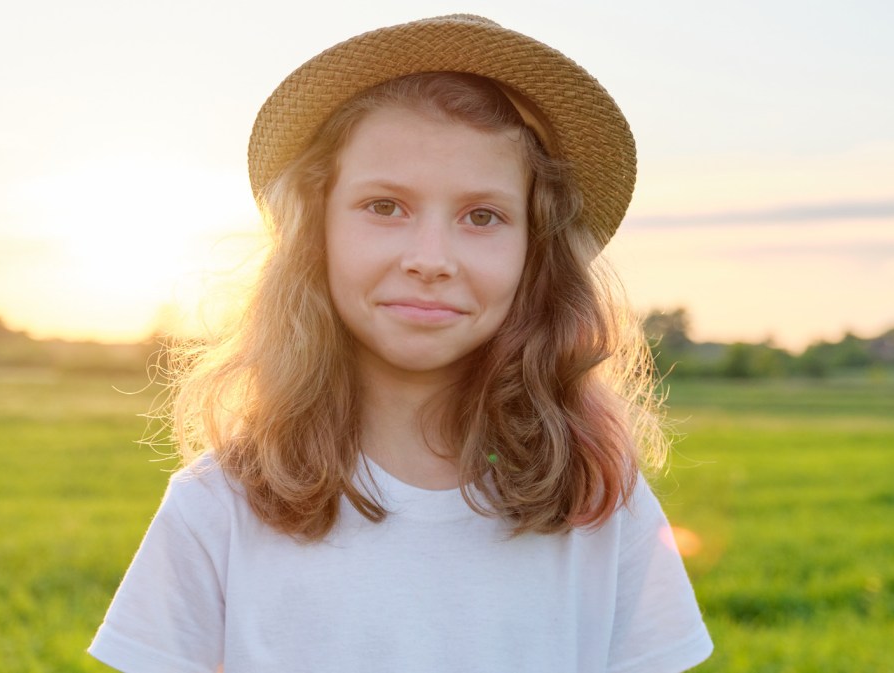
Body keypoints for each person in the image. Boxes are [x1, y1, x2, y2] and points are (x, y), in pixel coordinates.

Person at [90, 14, 712, 673]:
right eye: (386, 206)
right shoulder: (217, 506)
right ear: (315, 232)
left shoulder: (597, 500)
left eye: (482, 216)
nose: (430, 257)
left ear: (535, 252)